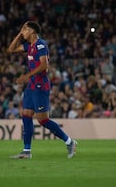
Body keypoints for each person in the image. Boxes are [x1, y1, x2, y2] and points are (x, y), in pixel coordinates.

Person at [7, 21, 77, 159]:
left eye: (26, 30)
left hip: (40, 86)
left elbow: (45, 66)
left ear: (32, 31)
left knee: (43, 120)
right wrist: (19, 34)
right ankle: (26, 151)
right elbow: (11, 49)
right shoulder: (29, 46)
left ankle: (69, 142)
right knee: (26, 115)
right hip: (31, 86)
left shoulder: (40, 45)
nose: (24, 32)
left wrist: (27, 76)